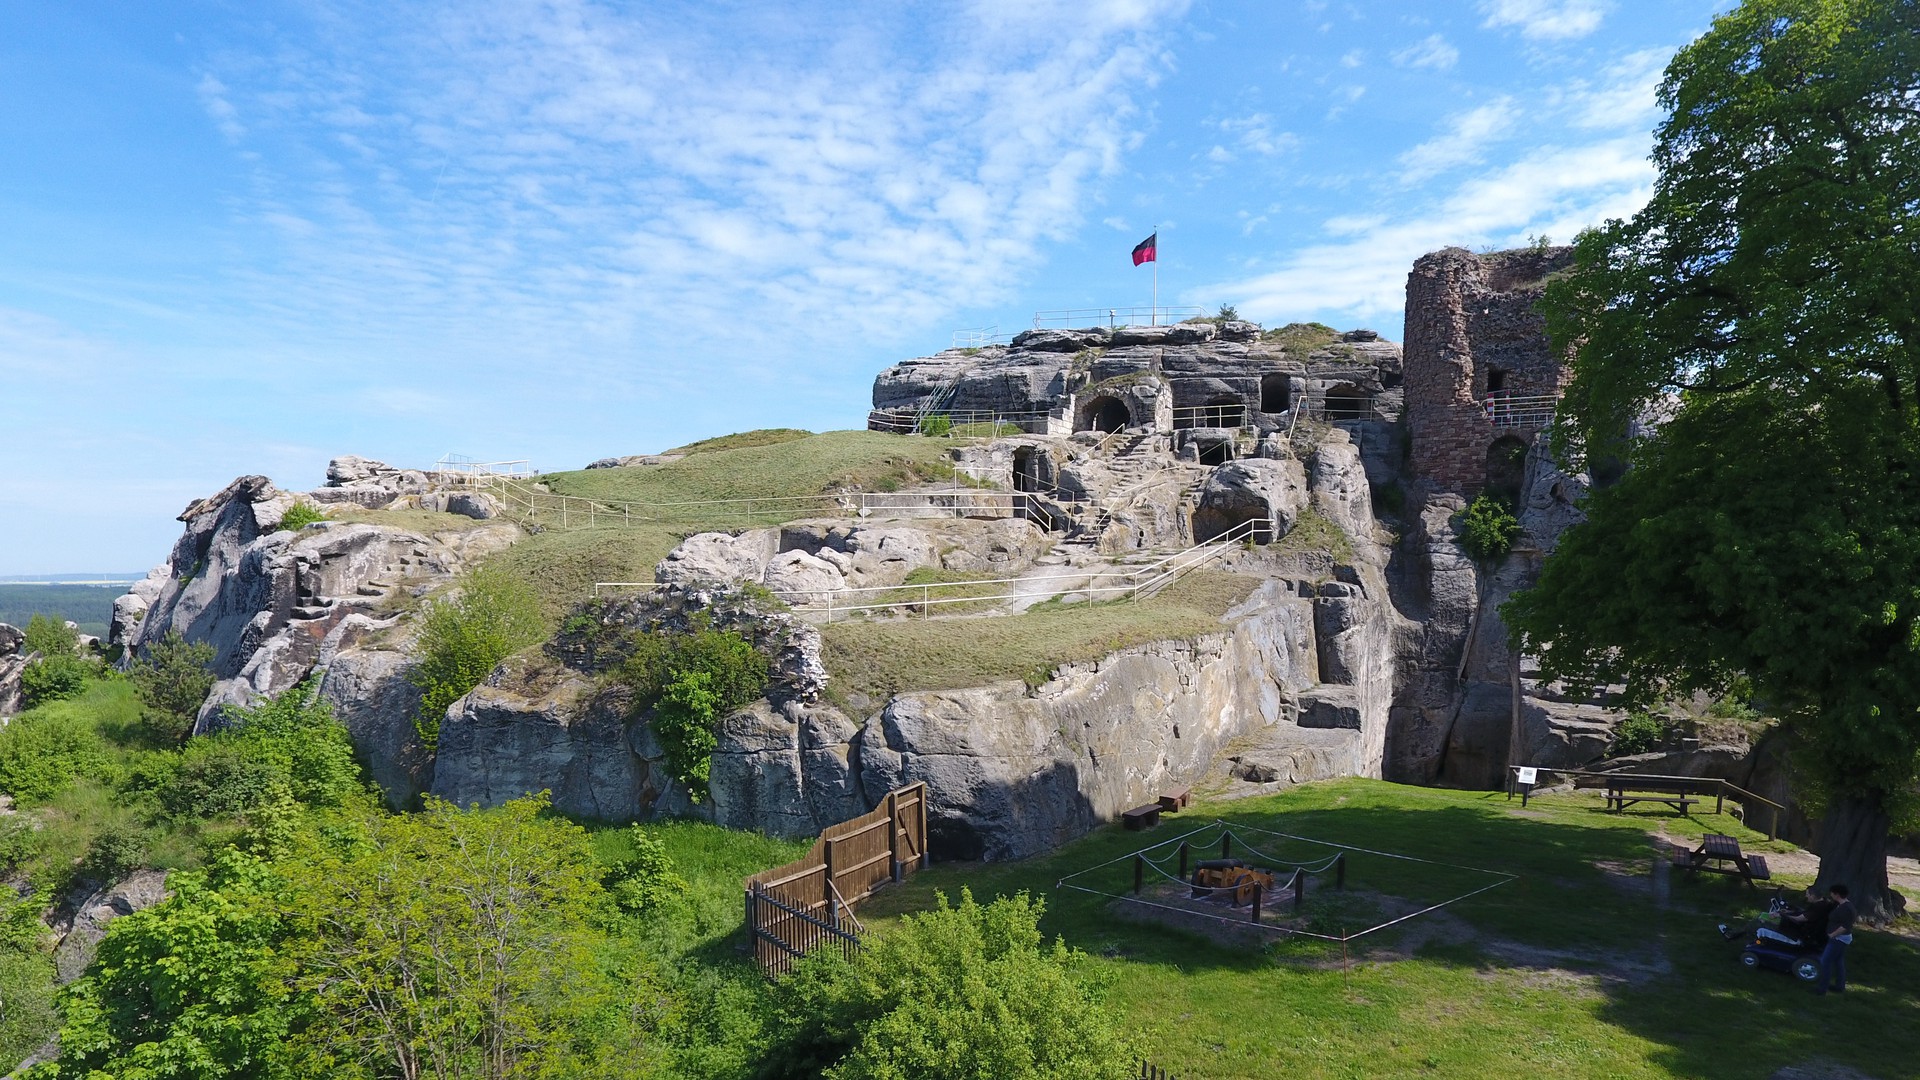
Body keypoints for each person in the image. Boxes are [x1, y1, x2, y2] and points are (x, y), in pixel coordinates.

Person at [1814, 883, 1855, 995]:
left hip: (1838, 939)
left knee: (1825, 961)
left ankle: (1822, 988)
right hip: (1839, 938)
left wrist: (1832, 935)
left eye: (1832, 893)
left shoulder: (1846, 909)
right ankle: (1839, 986)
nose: (1831, 895)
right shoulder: (1841, 905)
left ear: (1837, 894)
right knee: (1838, 961)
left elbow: (1845, 926)